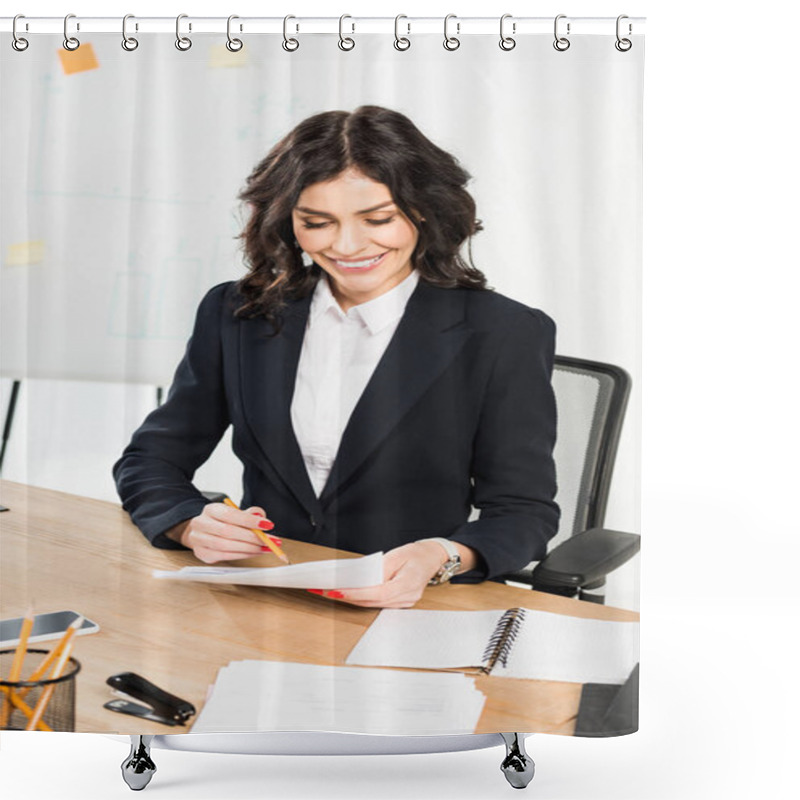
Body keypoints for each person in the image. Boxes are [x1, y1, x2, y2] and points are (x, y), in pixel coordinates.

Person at [113, 104, 559, 610]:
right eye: (318, 222)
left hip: (412, 608)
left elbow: (523, 511)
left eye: (378, 219)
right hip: (265, 597)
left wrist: (443, 555)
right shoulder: (238, 313)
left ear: (423, 211)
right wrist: (190, 521)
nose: (348, 245)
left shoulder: (502, 332)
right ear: (288, 223)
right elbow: (151, 459)